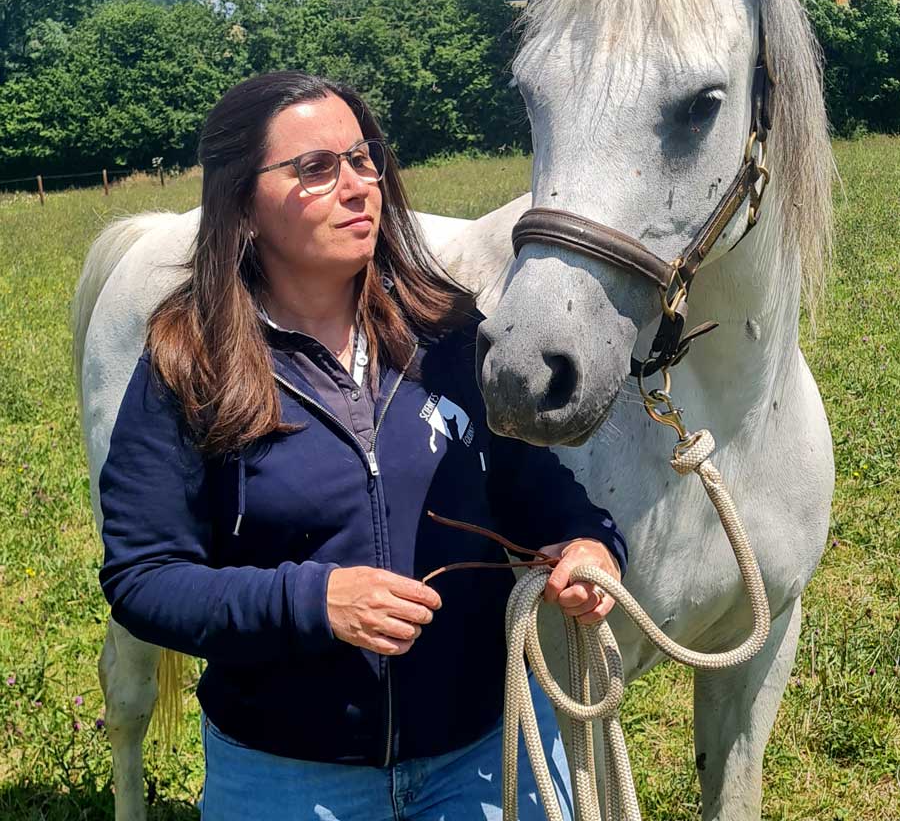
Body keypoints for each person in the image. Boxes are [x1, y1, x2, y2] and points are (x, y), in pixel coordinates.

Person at [98, 70, 628, 821]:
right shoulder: (188, 365)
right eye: (316, 168)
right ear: (243, 205)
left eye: (363, 158)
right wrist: (313, 602)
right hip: (287, 778)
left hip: (483, 755)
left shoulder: (448, 335)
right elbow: (144, 576)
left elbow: (529, 484)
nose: (357, 187)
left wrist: (589, 542)